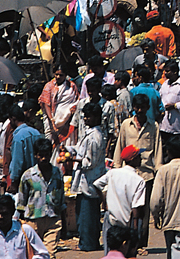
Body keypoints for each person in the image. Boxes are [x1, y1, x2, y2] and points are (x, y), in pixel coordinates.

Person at [112, 95, 163, 249]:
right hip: (128, 175)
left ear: (147, 109)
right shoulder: (126, 125)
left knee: (144, 212)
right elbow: (120, 146)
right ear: (133, 108)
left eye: (142, 108)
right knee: (128, 211)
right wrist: (116, 167)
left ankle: (141, 244)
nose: (139, 111)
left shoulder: (153, 126)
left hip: (146, 175)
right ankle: (128, 242)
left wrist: (159, 170)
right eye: (137, 108)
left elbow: (158, 149)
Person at [16, 138, 64, 259]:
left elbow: (61, 196)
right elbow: (22, 200)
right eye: (40, 155)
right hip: (33, 220)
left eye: (46, 155)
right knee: (33, 253)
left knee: (49, 254)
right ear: (35, 155)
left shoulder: (57, 173)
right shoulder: (28, 176)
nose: (44, 159)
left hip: (53, 219)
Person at [72, 102, 106, 252]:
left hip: (90, 180)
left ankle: (88, 243)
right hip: (87, 180)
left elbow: (89, 162)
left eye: (89, 116)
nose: (85, 119)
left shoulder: (95, 137)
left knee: (88, 215)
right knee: (86, 213)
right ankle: (87, 241)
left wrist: (73, 159)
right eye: (85, 116)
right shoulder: (90, 133)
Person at [0, 194, 49, 259]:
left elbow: (44, 254)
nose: (0, 217)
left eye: (4, 214)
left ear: (12, 212)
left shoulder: (25, 231)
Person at [159, 59, 180, 147]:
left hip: (178, 125)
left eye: (168, 71)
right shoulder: (165, 84)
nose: (165, 73)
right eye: (165, 71)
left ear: (175, 72)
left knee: (176, 149)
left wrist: (175, 106)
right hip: (164, 124)